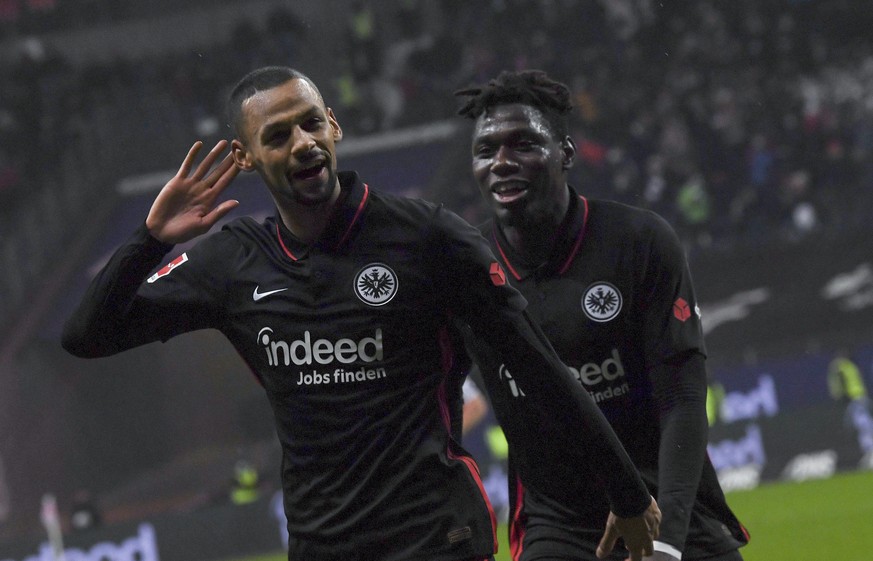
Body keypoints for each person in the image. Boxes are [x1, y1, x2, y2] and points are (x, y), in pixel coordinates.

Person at [62, 66, 661, 561]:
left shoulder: (427, 238)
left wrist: (627, 493)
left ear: (334, 127)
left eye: (310, 123)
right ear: (246, 157)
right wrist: (150, 239)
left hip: (438, 538)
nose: (301, 143)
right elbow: (87, 337)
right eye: (277, 135)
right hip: (321, 548)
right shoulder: (233, 260)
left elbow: (537, 365)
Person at [455, 70, 749, 561]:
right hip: (559, 523)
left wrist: (669, 542)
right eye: (486, 150)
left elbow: (682, 395)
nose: (502, 162)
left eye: (523, 144)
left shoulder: (638, 242)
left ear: (565, 153)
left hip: (667, 501)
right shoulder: (466, 270)